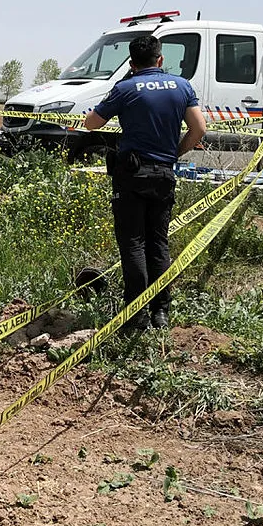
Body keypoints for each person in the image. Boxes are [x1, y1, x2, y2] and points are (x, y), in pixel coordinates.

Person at [83, 35, 207, 331]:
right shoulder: (182, 86)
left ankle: (135, 315)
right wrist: (174, 153)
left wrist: (101, 108)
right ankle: (160, 312)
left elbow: (92, 124)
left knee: (134, 245)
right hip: (164, 173)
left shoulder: (125, 88)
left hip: (132, 175)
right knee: (158, 244)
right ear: (160, 59)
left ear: (131, 63)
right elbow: (199, 128)